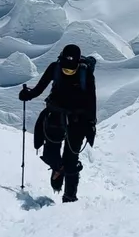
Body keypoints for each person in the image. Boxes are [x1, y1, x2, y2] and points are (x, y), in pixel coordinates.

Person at [18, 44, 96, 202]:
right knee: (50, 154)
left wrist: (91, 123)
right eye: (65, 70)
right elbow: (41, 87)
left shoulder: (85, 72)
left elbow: (91, 99)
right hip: (55, 115)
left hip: (77, 119)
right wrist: (28, 94)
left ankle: (70, 198)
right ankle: (59, 169)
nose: (68, 72)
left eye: (71, 70)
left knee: (71, 159)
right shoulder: (55, 67)